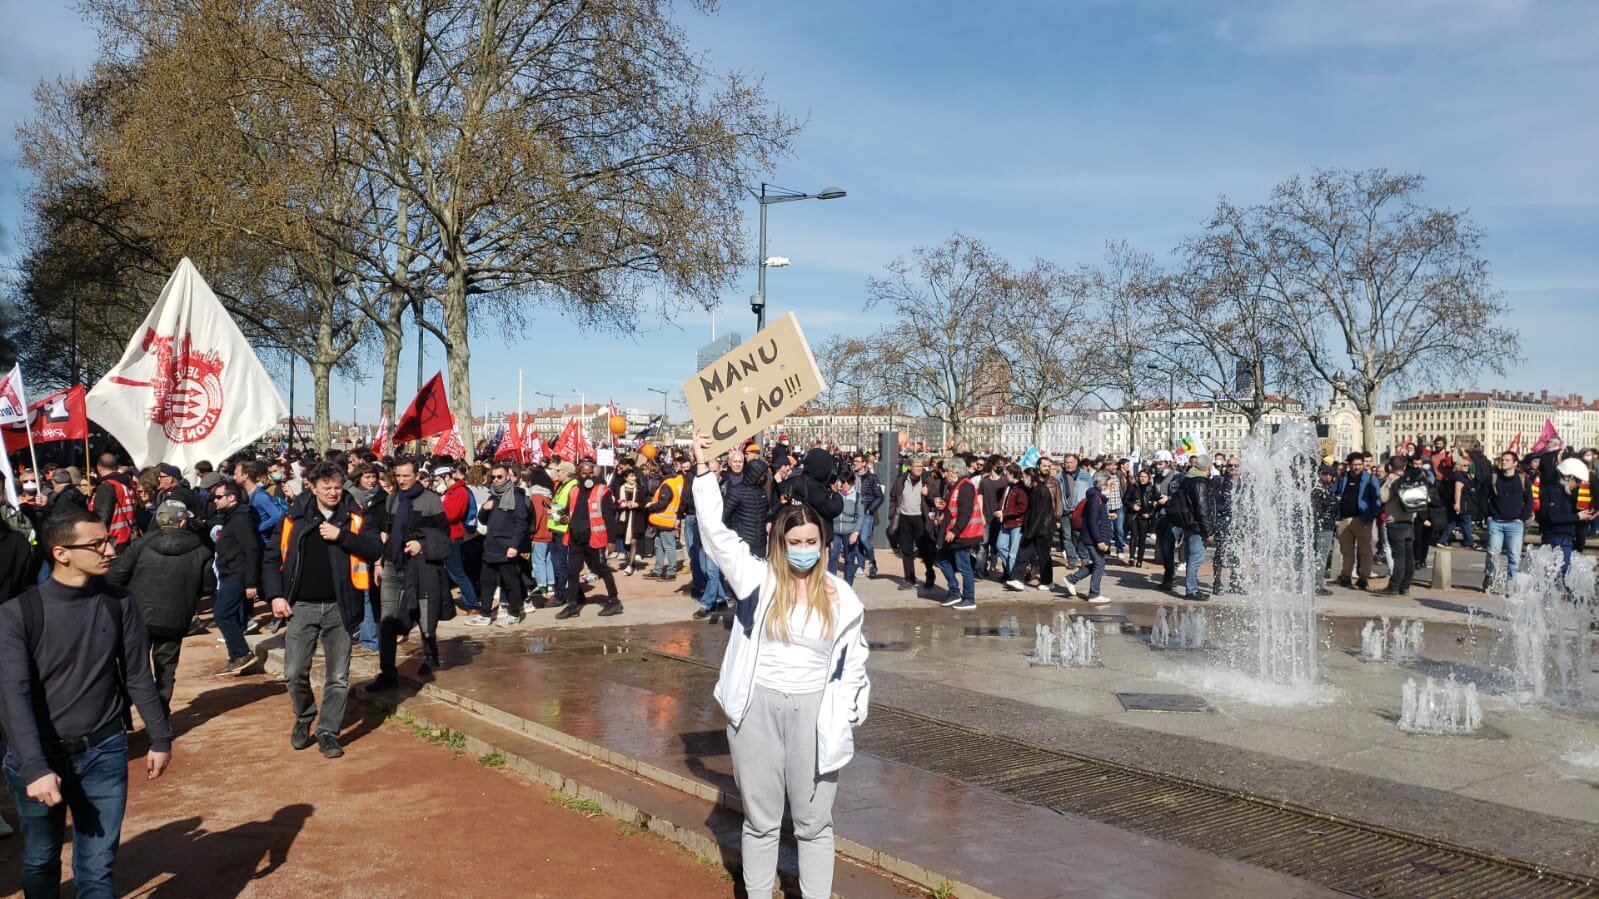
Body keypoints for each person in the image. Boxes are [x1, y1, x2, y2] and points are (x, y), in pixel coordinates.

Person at [689, 431, 870, 899]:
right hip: (757, 710)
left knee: (813, 823)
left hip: (814, 713)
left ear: (822, 542)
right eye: (796, 540)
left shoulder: (842, 597)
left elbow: (855, 662)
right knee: (762, 820)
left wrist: (850, 709)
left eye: (812, 539)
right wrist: (705, 472)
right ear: (780, 542)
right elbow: (716, 535)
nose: (805, 547)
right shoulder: (759, 579)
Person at [0, 511, 173, 896]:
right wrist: (34, 766)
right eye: (97, 544)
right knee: (42, 858)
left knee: (96, 868)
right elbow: (13, 695)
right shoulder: (17, 614)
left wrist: (160, 737)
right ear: (61, 553)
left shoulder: (119, 601)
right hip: (40, 758)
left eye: (107, 540)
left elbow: (138, 675)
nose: (110, 549)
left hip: (105, 751)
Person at [264, 462, 382, 758]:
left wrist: (341, 536)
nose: (332, 492)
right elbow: (270, 558)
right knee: (293, 672)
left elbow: (375, 549)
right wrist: (276, 595)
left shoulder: (354, 516)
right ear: (312, 488)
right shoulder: (294, 517)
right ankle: (304, 715)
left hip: (340, 606)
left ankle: (328, 731)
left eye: (337, 486)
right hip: (301, 607)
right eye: (326, 487)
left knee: (338, 676)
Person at [107, 501, 216, 714]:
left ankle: (123, 713)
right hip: (175, 619)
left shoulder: (140, 545)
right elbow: (208, 587)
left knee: (133, 667)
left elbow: (116, 576)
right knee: (165, 669)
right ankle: (159, 715)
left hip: (138, 617)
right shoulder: (201, 551)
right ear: (183, 521)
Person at [368, 458, 450, 687]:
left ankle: (430, 656)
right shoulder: (392, 500)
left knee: (424, 616)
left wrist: (422, 545)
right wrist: (379, 562)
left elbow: (445, 535)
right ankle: (387, 672)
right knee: (387, 620)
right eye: (398, 476)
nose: (402, 480)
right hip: (393, 566)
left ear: (416, 475)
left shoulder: (431, 501)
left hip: (420, 567)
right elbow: (386, 532)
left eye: (406, 476)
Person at [554, 461, 623, 619]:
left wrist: (611, 540)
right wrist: (564, 517)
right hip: (576, 539)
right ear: (579, 474)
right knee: (572, 572)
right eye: (584, 473)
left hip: (595, 539)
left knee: (601, 569)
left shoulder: (602, 491)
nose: (588, 476)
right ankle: (573, 604)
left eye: (591, 473)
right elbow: (567, 511)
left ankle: (614, 600)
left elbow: (609, 518)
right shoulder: (574, 491)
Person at [465, 462, 531, 626]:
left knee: (511, 582)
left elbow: (521, 523)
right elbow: (482, 520)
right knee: (486, 582)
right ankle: (485, 614)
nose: (495, 480)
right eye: (493, 477)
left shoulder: (517, 496)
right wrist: (485, 509)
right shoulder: (492, 496)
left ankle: (514, 613)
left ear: (508, 477)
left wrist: (514, 545)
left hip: (507, 546)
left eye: (499, 476)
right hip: (491, 546)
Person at [207, 480, 261, 674]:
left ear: (231, 498)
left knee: (222, 614)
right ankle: (237, 655)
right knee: (226, 614)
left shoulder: (240, 519)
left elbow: (251, 550)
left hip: (237, 575)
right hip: (229, 572)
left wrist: (251, 583)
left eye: (219, 497)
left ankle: (241, 653)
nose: (215, 500)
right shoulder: (230, 516)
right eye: (214, 497)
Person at [934, 457, 983, 610]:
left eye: (947, 471)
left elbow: (965, 513)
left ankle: (969, 598)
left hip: (963, 533)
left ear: (955, 471)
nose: (945, 474)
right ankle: (955, 591)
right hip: (954, 531)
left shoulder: (965, 486)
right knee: (941, 559)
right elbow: (953, 507)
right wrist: (942, 507)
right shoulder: (954, 486)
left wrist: (954, 531)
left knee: (963, 566)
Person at [1059, 470, 1114, 603]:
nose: (1111, 489)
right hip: (1093, 538)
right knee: (1099, 564)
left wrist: (1107, 517)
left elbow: (1096, 518)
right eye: (1110, 485)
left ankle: (1072, 579)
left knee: (1098, 564)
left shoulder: (1098, 498)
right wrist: (1099, 540)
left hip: (1095, 537)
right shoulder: (1095, 499)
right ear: (1102, 485)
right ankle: (1094, 594)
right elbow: (1092, 521)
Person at [1168, 455, 1218, 600]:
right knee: (1196, 558)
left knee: (1192, 557)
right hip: (1197, 526)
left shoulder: (1187, 479)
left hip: (1189, 523)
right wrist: (1208, 531)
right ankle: (1191, 590)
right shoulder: (1199, 483)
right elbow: (1202, 509)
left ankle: (1192, 588)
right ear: (1208, 468)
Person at [1376, 456, 1426, 596]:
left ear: (1390, 467)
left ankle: (1393, 587)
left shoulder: (1393, 479)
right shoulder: (1410, 479)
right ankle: (1405, 586)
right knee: (1409, 558)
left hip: (1395, 521)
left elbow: (1383, 497)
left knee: (1399, 558)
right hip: (1409, 521)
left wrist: (1387, 482)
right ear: (1404, 467)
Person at [1483, 450, 1532, 587]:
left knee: (1514, 556)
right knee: (1493, 552)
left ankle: (1512, 583)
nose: (1503, 462)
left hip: (1515, 523)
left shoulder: (1522, 479)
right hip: (1496, 522)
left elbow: (1529, 501)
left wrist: (1522, 518)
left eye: (1507, 460)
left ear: (1515, 463)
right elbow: (1483, 497)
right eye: (1502, 460)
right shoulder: (1494, 478)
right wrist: (1488, 516)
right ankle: (1489, 575)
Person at [1332, 453, 1381, 590]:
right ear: (1349, 465)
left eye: (1359, 464)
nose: (1357, 467)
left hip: (1362, 519)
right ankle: (1346, 576)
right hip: (1344, 519)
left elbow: (1377, 499)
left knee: (1365, 551)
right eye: (1355, 464)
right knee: (1346, 550)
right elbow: (1335, 492)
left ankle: (1363, 578)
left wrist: (1370, 517)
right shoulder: (1343, 477)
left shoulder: (1370, 478)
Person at [436, 465, 480, 613]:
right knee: (451, 570)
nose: (436, 482)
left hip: (453, 536)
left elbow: (452, 515)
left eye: (438, 479)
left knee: (457, 572)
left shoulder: (459, 492)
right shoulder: (449, 492)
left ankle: (472, 603)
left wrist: (438, 507)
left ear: (446, 477)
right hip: (446, 535)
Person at [886, 457, 934, 590]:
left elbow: (935, 499)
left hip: (920, 518)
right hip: (904, 518)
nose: (920, 468)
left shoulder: (926, 481)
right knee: (906, 550)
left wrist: (928, 493)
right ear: (910, 467)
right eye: (917, 465)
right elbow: (893, 497)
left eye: (921, 466)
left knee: (924, 550)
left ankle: (930, 574)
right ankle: (909, 579)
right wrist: (892, 514)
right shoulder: (901, 480)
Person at [645, 462, 684, 580]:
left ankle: (671, 571)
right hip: (664, 519)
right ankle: (658, 569)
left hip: (665, 519)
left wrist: (650, 507)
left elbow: (662, 503)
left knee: (668, 546)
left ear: (661, 472)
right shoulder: (676, 481)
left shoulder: (667, 484)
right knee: (659, 545)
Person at [828, 470, 862, 586]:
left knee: (849, 558)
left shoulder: (857, 496)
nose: (845, 485)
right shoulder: (835, 495)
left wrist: (856, 532)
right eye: (843, 482)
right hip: (835, 530)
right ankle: (831, 584)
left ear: (852, 483)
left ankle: (848, 586)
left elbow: (860, 516)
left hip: (849, 531)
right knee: (833, 556)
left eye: (848, 482)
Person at [1210, 460, 1238, 594]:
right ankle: (1217, 582)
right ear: (1226, 467)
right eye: (1230, 465)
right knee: (1220, 553)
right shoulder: (1219, 481)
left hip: (1238, 523)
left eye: (1235, 465)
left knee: (1237, 553)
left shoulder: (1244, 483)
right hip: (1223, 521)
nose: (1232, 468)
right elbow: (1214, 502)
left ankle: (1234, 582)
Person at [1311, 464, 1338, 596]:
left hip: (1323, 526)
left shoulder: (1324, 488)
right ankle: (1317, 585)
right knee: (1321, 556)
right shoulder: (1319, 489)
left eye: (1331, 475)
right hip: (1323, 526)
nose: (1330, 478)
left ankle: (1315, 583)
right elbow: (1319, 509)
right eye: (1327, 475)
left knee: (1318, 555)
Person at [1124, 469, 1157, 568]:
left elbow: (1156, 504)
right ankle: (1132, 557)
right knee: (1134, 535)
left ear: (1149, 478)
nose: (1142, 479)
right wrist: (1132, 505)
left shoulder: (1152, 488)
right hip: (1134, 515)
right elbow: (1125, 499)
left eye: (1145, 477)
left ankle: (1140, 560)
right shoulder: (1133, 487)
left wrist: (1150, 514)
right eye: (1141, 476)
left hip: (1145, 516)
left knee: (1142, 539)